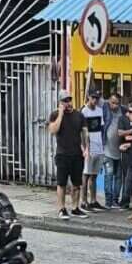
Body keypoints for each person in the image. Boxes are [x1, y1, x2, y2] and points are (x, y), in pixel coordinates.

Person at [48, 89, 89, 220]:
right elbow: (53, 130)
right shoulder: (55, 114)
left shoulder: (79, 115)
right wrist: (60, 114)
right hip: (62, 154)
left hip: (77, 154)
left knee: (77, 184)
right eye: (65, 101)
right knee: (62, 183)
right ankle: (62, 208)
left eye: (69, 100)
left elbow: (85, 132)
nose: (68, 103)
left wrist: (86, 149)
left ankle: (75, 208)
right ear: (60, 102)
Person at [80, 89, 105, 211]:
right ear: (88, 97)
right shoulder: (84, 111)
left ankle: (93, 200)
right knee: (86, 174)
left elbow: (101, 128)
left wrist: (102, 144)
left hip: (99, 146)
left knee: (94, 175)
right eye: (93, 97)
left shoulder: (100, 110)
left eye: (97, 98)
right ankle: (84, 201)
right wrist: (85, 148)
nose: (95, 100)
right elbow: (82, 132)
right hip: (89, 147)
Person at [102, 91, 125, 209]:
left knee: (119, 176)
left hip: (120, 151)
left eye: (117, 103)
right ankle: (108, 201)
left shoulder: (124, 111)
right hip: (107, 150)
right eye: (112, 102)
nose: (114, 105)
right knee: (109, 175)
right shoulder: (105, 109)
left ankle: (115, 200)